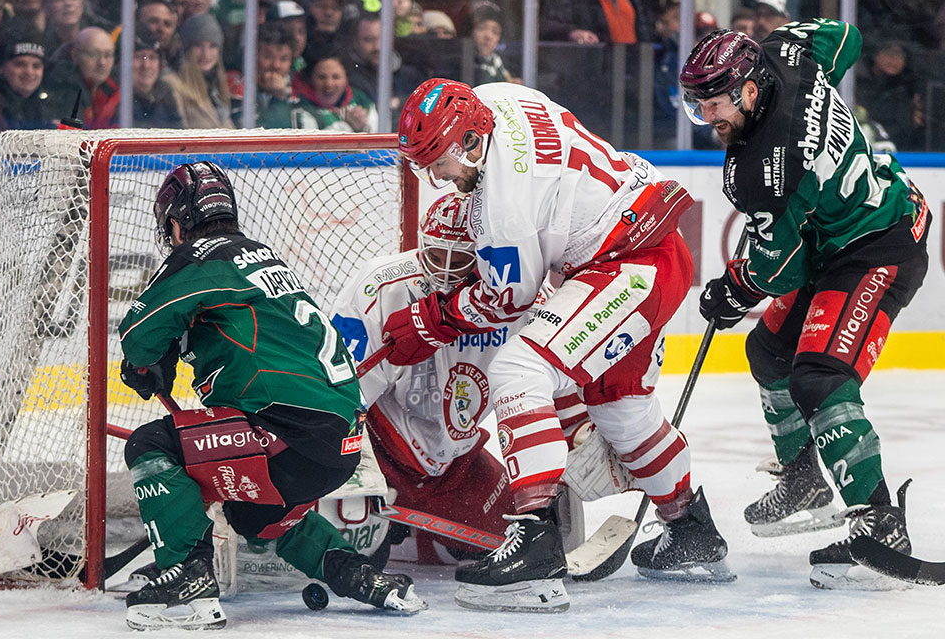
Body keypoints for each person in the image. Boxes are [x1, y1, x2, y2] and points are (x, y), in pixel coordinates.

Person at [386, 78, 733, 612]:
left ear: (471, 144)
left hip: (627, 265)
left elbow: (509, 300)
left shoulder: (504, 204)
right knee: (623, 411)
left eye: (438, 163)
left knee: (519, 371)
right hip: (647, 247)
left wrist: (433, 317)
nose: (434, 178)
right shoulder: (497, 97)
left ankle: (536, 543)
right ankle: (691, 529)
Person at [118, 161, 426, 629]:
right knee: (252, 513)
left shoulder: (201, 256)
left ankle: (189, 572)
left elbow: (138, 334)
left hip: (283, 430)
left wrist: (145, 364)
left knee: (151, 445)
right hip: (339, 445)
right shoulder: (262, 258)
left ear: (177, 223)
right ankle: (354, 571)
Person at [679, 22, 930, 590]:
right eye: (698, 107)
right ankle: (804, 479)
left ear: (746, 91)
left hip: (878, 242)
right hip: (834, 237)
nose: (708, 120)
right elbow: (848, 37)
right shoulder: (784, 49)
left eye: (713, 106)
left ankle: (882, 523)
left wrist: (732, 290)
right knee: (769, 350)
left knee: (819, 376)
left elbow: (780, 269)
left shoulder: (769, 166)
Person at [331, 193, 592, 564]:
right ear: (421, 245)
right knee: (355, 541)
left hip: (454, 459)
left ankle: (415, 533)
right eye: (437, 257)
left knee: (525, 541)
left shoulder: (519, 295)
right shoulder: (382, 287)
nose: (447, 274)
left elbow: (559, 374)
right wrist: (358, 474)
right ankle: (390, 524)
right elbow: (343, 394)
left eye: (462, 260)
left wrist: (581, 430)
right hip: (382, 449)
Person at [0, 20, 54, 148]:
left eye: (36, 66)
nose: (29, 72)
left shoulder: (51, 105)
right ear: (1, 68)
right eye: (20, 64)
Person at [165, 13, 233, 128]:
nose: (206, 54)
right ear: (186, 49)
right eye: (198, 45)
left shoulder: (217, 90)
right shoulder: (173, 86)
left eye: (212, 46)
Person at [229, 24, 302, 129]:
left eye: (283, 59)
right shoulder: (236, 86)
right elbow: (247, 130)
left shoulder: (295, 92)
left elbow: (291, 134)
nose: (276, 65)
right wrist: (279, 98)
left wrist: (280, 96)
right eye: (268, 57)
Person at [296, 52, 376, 132]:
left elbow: (377, 131)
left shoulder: (361, 100)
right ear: (311, 80)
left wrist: (365, 127)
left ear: (346, 78)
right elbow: (312, 142)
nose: (329, 84)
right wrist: (347, 126)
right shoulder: (302, 108)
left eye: (336, 77)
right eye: (321, 77)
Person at [131, 28, 183, 128]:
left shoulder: (165, 93)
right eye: (138, 57)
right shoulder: (116, 98)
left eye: (152, 57)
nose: (146, 65)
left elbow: (180, 137)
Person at [470, 4, 519, 85]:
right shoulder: (462, 63)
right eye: (482, 28)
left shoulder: (497, 62)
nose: (488, 36)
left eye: (495, 32)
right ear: (471, 32)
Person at [136, 0, 181, 70]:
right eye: (154, 21)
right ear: (137, 23)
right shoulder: (124, 58)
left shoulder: (181, 61)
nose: (161, 29)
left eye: (167, 24)